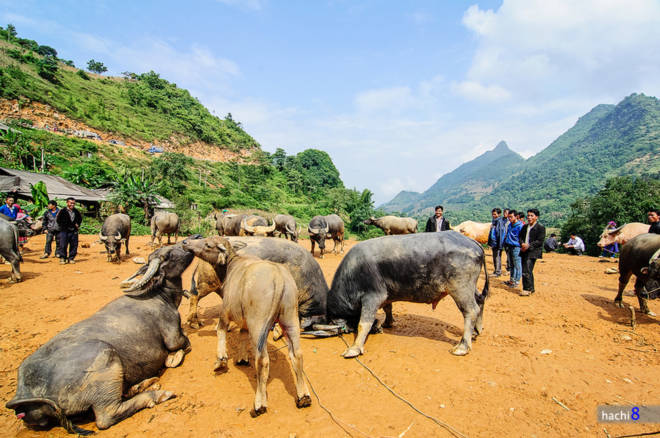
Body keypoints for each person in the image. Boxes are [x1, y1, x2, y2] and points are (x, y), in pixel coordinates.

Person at [519, 209, 546, 297]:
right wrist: (522, 244)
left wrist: (529, 246)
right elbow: (520, 237)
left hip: (533, 251)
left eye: (532, 216)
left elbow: (540, 241)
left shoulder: (540, 228)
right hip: (524, 250)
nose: (529, 217)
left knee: (526, 270)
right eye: (528, 215)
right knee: (527, 269)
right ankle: (531, 288)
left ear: (536, 217)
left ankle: (527, 289)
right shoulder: (525, 227)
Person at [56, 197, 82, 264]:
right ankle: (63, 258)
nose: (72, 204)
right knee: (63, 245)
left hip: (74, 231)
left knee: (74, 245)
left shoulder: (76, 211)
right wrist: (63, 226)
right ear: (67, 203)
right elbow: (58, 220)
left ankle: (71, 258)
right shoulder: (62, 211)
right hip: (64, 231)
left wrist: (78, 224)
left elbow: (80, 219)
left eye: (73, 203)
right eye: (71, 203)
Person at [503, 210, 522, 288]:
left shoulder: (520, 226)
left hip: (516, 247)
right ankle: (512, 280)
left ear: (516, 216)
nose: (509, 218)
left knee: (517, 265)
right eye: (508, 217)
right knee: (511, 265)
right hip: (509, 246)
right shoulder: (510, 225)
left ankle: (516, 282)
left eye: (511, 217)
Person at [488, 208, 507, 277]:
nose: (493, 215)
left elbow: (500, 234)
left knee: (497, 257)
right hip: (494, 243)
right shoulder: (494, 221)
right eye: (492, 214)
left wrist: (499, 244)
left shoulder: (499, 222)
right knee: (495, 257)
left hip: (497, 243)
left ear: (499, 214)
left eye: (495, 214)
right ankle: (496, 270)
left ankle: (498, 272)